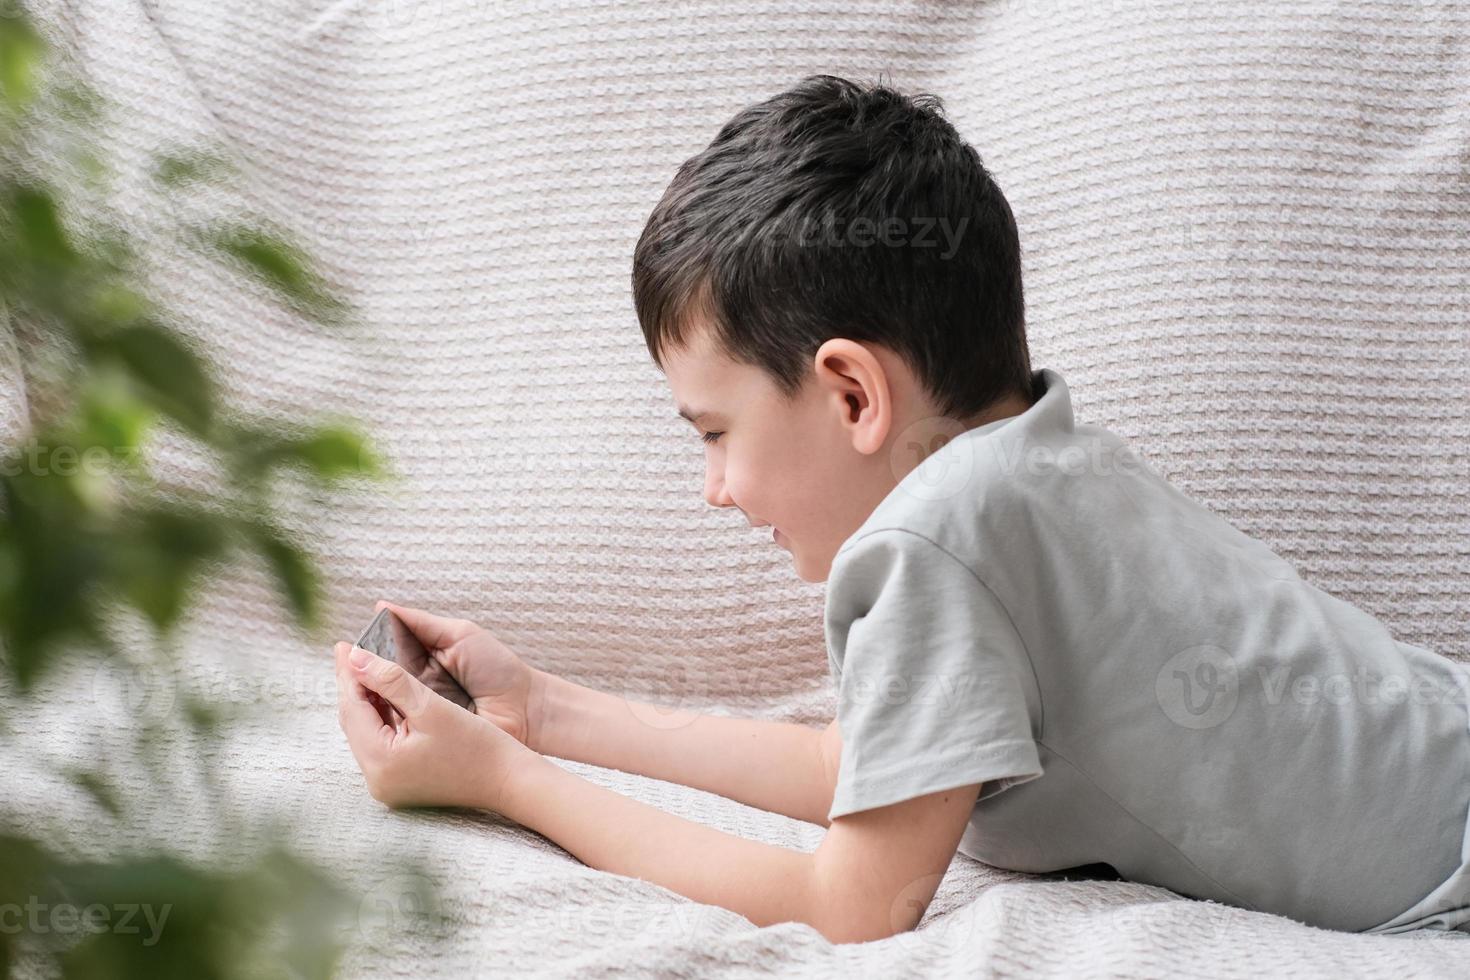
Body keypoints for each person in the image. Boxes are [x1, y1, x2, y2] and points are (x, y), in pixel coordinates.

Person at [333, 74, 1470, 941]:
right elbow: (874, 764)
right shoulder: (1033, 465)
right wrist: (546, 708)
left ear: (851, 392)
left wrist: (503, 783)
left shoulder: (938, 537)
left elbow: (857, 903)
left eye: (716, 433)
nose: (715, 488)